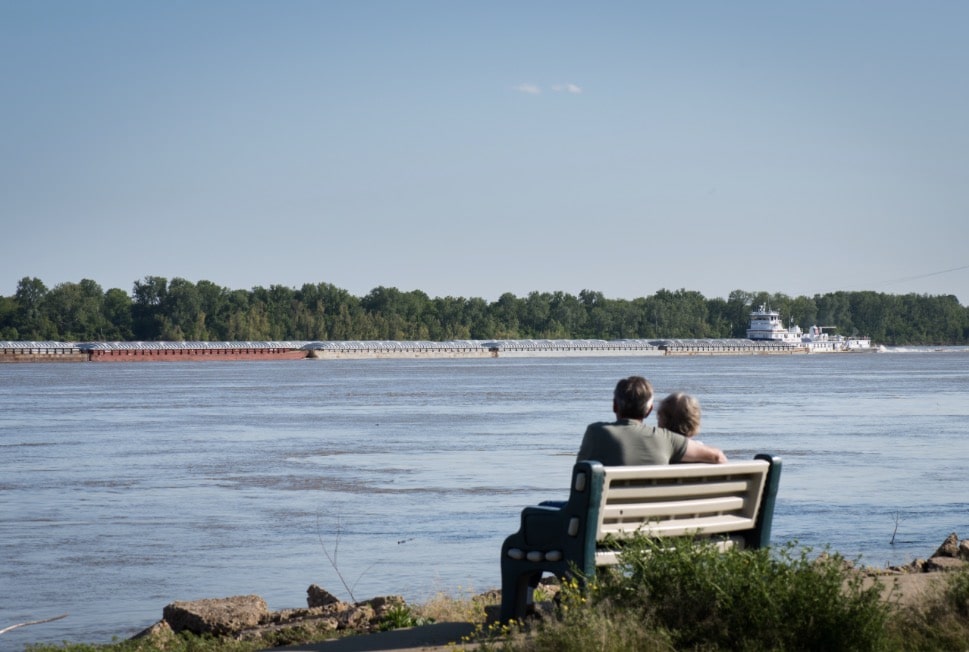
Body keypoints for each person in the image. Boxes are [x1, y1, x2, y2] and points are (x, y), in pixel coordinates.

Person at [576, 376, 726, 465]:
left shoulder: (595, 432)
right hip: (654, 518)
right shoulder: (666, 439)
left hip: (604, 516)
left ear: (615, 406)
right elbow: (717, 456)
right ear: (648, 410)